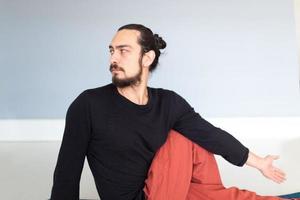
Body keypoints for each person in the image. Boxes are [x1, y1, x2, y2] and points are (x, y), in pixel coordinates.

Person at [50, 24, 298, 200]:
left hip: (173, 188)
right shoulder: (89, 104)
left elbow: (212, 135)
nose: (114, 58)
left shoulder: (168, 102)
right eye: (111, 50)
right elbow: (67, 171)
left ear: (147, 58)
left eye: (123, 51)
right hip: (142, 196)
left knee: (194, 137)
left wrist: (259, 163)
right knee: (180, 138)